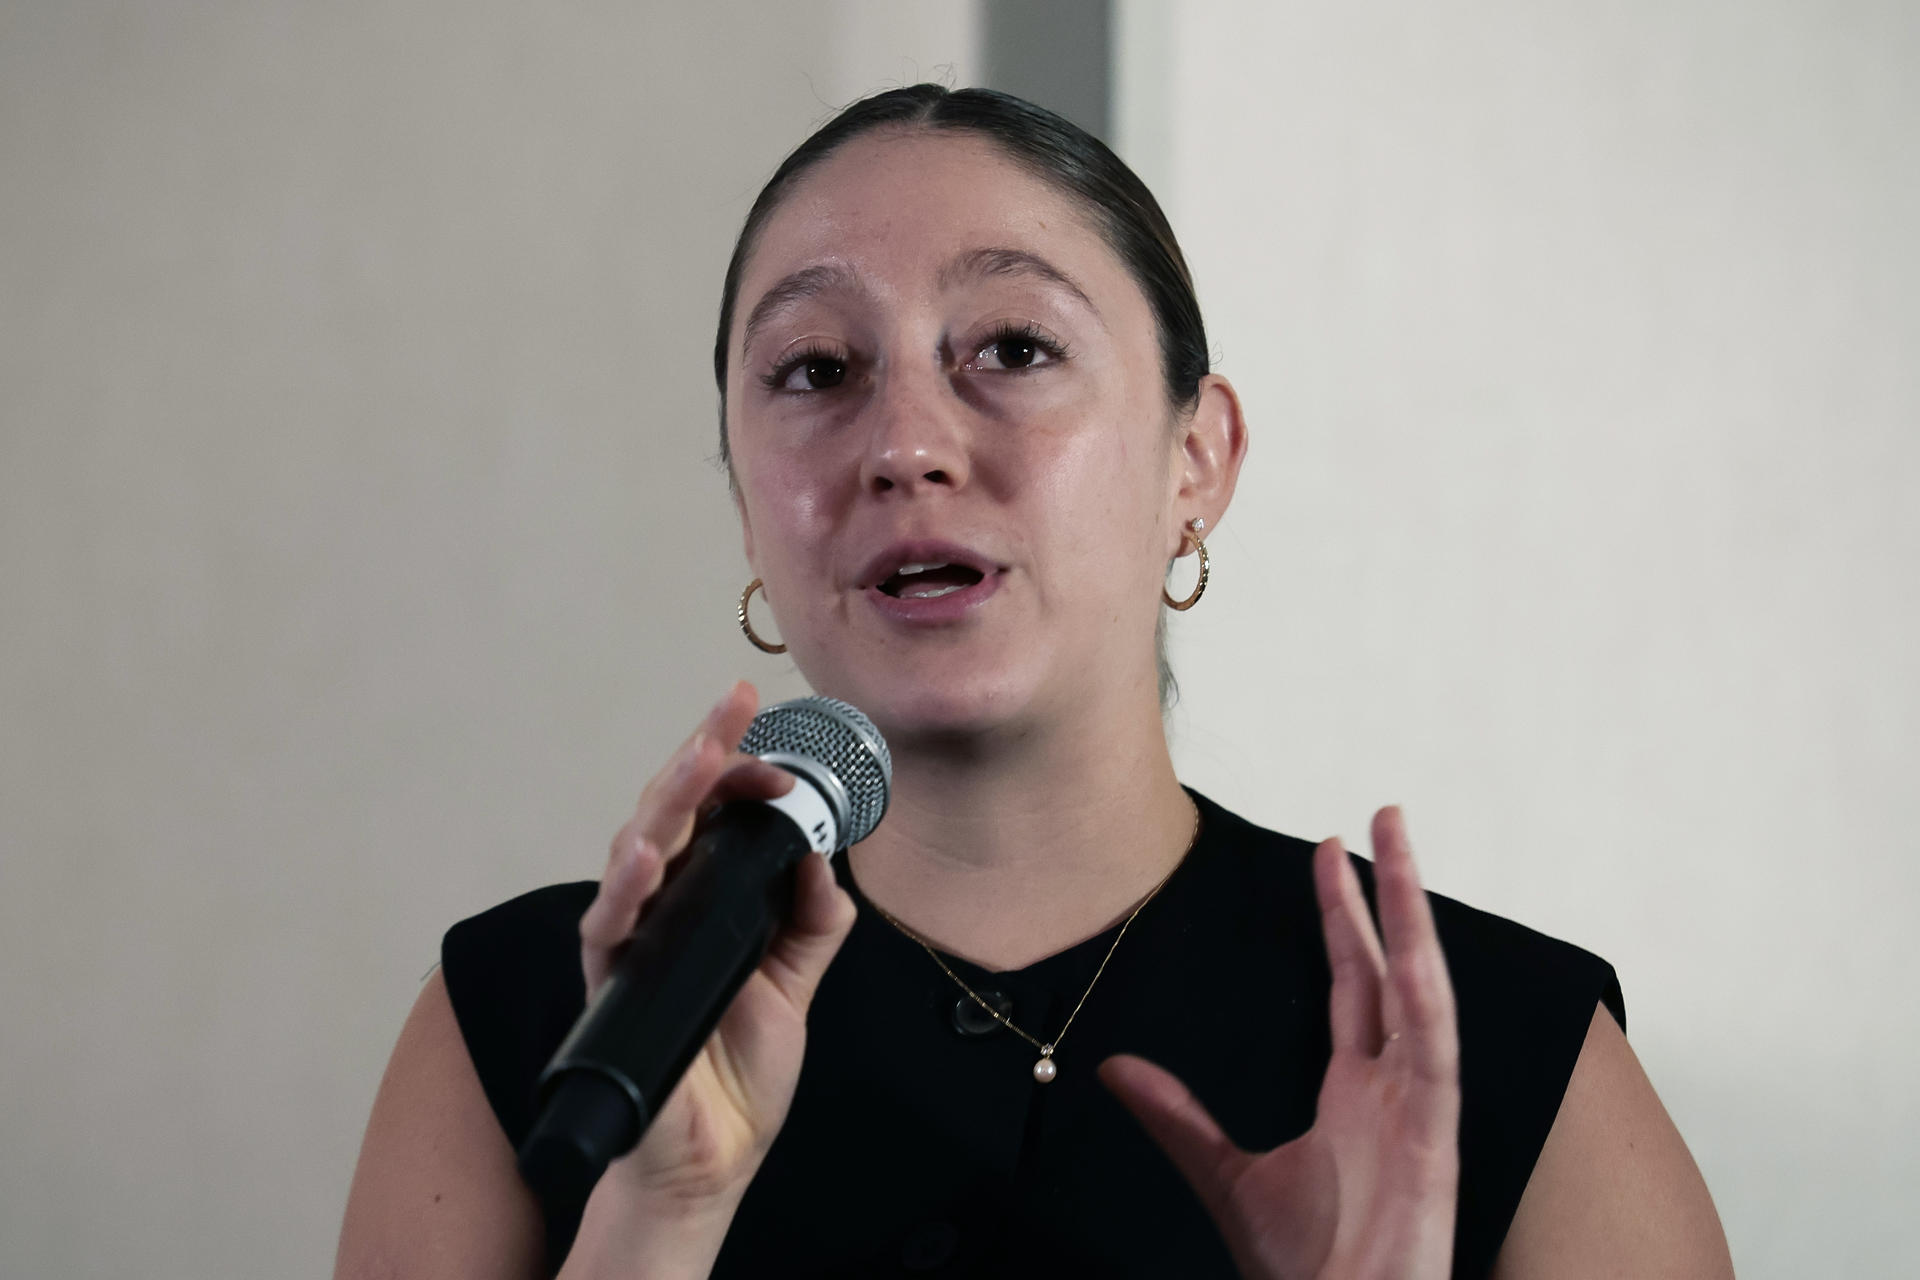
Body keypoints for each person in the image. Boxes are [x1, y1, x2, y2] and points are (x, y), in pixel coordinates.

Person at [334, 86, 1732, 1279]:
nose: (906, 447)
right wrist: (654, 1215)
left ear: (1199, 460)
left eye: (1013, 348)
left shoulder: (1504, 1054)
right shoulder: (539, 1033)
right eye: (817, 370)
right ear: (746, 505)